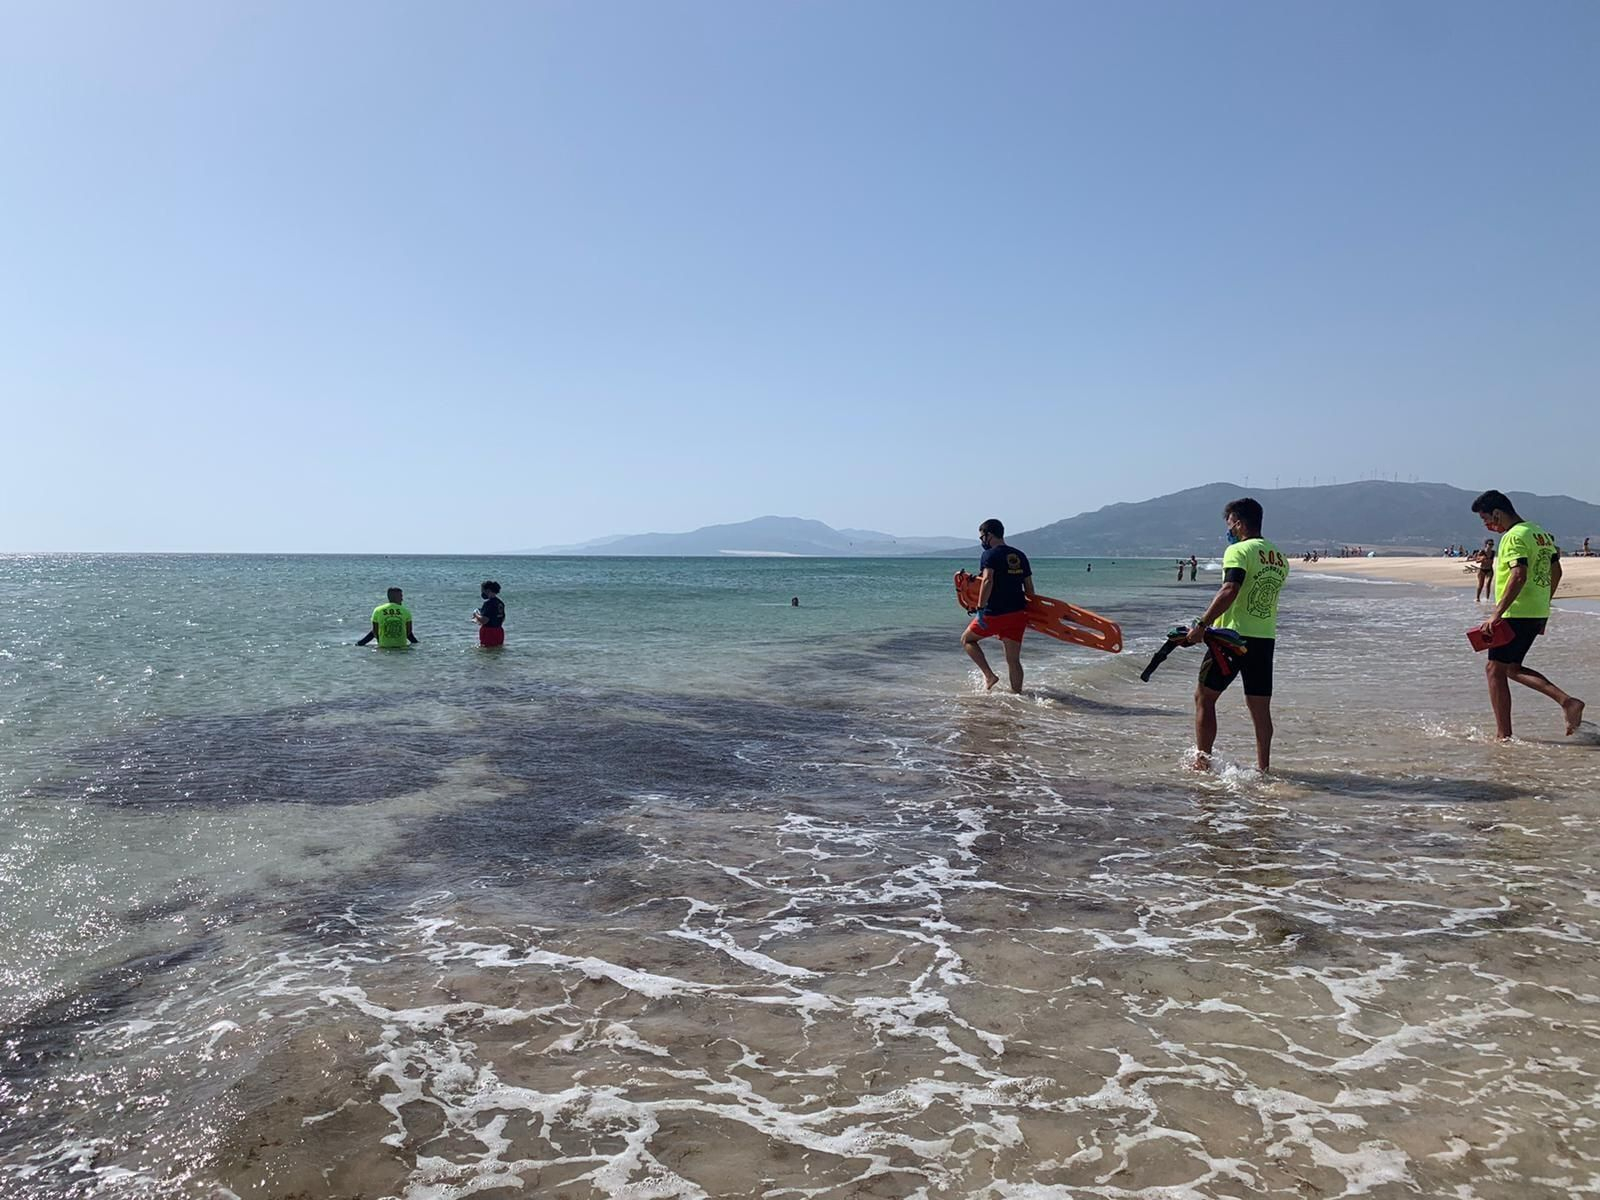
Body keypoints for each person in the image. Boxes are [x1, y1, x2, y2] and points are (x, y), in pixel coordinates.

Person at [1182, 497, 1288, 771]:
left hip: (1231, 639)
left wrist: (1202, 625)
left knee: (1204, 697)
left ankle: (1201, 762)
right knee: (1260, 708)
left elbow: (1230, 589)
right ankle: (1263, 769)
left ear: (1239, 524)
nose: (1228, 529)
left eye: (1229, 524)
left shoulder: (1238, 551)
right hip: (1264, 639)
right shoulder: (1278, 557)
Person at [1472, 490, 1584, 738]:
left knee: (1494, 670)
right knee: (1511, 667)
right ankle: (1567, 703)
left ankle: (1504, 736)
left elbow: (1518, 575)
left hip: (1515, 611)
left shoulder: (1513, 537)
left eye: (1485, 519)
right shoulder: (1539, 533)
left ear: (1497, 513)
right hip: (1534, 610)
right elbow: (1557, 572)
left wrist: (1496, 614)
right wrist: (1544, 607)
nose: (1487, 525)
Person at [960, 518, 1034, 693]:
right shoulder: (1020, 555)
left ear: (989, 535)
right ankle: (1018, 695)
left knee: (967, 640)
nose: (981, 541)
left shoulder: (989, 555)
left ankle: (989, 675)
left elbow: (987, 580)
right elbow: (1030, 588)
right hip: (1018, 613)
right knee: (1013, 660)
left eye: (981, 537)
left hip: (995, 613)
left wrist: (980, 609)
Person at [473, 580, 505, 647]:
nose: (482, 593)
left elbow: (484, 620)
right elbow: (502, 618)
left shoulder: (488, 603)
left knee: (486, 653)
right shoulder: (500, 603)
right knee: (497, 652)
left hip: (489, 632)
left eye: (482, 590)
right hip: (499, 631)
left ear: (487, 590)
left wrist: (475, 614)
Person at [1474, 538, 1494, 603]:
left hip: (1489, 570)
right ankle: (1477, 598)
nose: (1491, 546)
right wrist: (1481, 559)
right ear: (1486, 545)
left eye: (1492, 544)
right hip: (1482, 570)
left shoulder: (1493, 552)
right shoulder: (1482, 552)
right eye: (1490, 544)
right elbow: (1477, 561)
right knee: (1481, 585)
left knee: (1488, 584)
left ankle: (1487, 599)